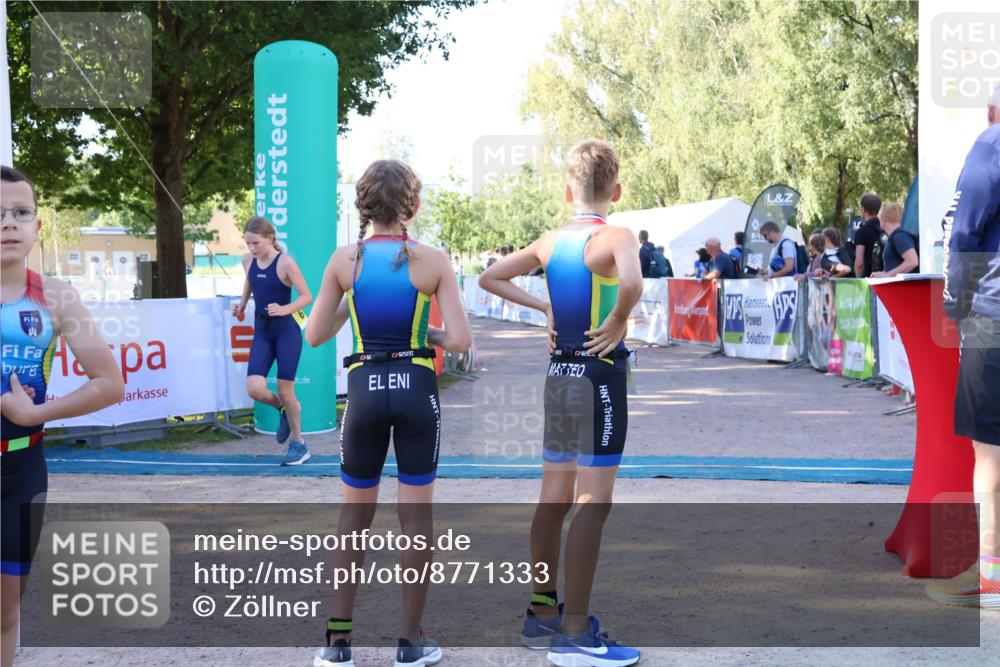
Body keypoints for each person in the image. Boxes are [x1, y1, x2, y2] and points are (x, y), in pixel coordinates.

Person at [479, 139, 642, 666]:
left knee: (553, 497)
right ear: (616, 191)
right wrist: (617, 319)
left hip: (560, 375)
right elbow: (633, 281)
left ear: (567, 191)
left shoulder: (549, 242)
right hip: (599, 377)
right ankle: (575, 633)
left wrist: (543, 307)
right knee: (594, 502)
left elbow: (490, 277)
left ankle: (542, 613)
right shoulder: (617, 235)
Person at [305, 159, 471, 667]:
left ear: (362, 207)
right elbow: (460, 341)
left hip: (365, 392)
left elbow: (314, 335)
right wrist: (426, 333)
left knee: (353, 517)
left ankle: (337, 643)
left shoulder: (344, 260)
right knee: (416, 518)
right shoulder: (432, 260)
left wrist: (353, 304)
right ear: (413, 207)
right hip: (416, 390)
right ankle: (410, 642)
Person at [1, 165, 125, 667]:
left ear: (37, 226)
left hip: (22, 470)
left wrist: (36, 413)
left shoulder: (56, 296)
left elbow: (109, 383)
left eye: (20, 212)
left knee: (6, 611)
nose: (8, 223)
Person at [927, 82, 1000, 610]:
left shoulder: (991, 144)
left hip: (993, 317)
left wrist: (955, 303)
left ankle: (992, 576)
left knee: (990, 451)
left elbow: (963, 233)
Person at [232, 216, 313, 466]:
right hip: (262, 332)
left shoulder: (285, 263)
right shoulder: (247, 261)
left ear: (270, 239)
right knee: (254, 388)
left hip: (286, 331)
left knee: (286, 391)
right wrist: (242, 304)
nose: (251, 248)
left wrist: (285, 309)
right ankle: (283, 410)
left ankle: (299, 445)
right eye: (247, 243)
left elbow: (306, 296)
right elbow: (251, 281)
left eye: (255, 243)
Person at [872, 202, 919, 277]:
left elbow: (913, 261)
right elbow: (895, 266)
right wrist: (882, 274)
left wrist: (887, 275)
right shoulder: (896, 236)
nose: (879, 221)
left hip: (904, 284)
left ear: (884, 218)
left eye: (879, 218)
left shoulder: (899, 236)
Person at [852, 192, 884, 278]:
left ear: (863, 209)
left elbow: (859, 264)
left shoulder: (862, 232)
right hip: (886, 277)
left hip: (869, 278)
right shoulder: (884, 228)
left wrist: (858, 280)